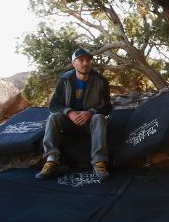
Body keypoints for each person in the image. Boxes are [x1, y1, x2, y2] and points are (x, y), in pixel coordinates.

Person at [36, 48, 112, 181]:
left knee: (99, 118)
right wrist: (69, 112)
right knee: (54, 117)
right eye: (81, 60)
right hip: (68, 122)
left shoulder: (101, 81)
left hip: (90, 123)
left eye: (88, 60)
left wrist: (91, 112)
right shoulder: (65, 80)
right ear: (74, 63)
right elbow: (53, 105)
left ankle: (99, 162)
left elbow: (107, 106)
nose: (85, 63)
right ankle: (51, 160)